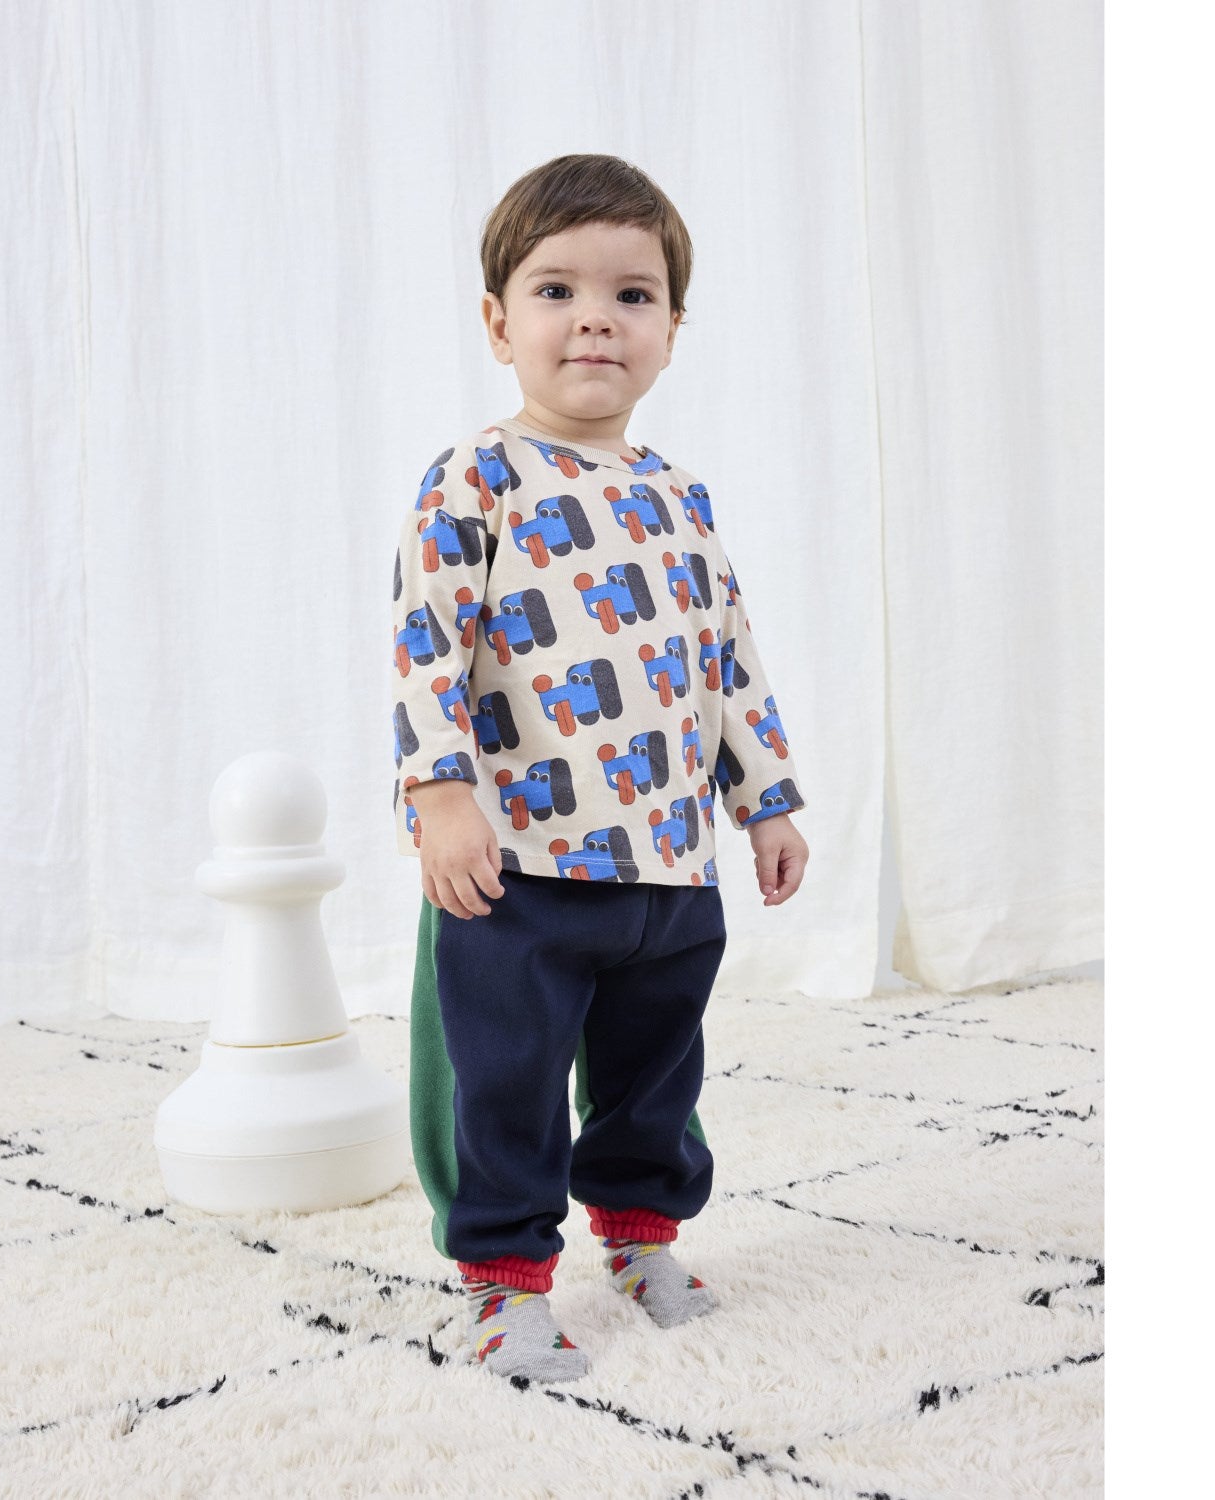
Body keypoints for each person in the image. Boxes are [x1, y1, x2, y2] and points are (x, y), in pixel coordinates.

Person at [390, 154, 810, 1384]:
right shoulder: (479, 478)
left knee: (655, 1073)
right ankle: (503, 1280)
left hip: (669, 863)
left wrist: (766, 800)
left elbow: (727, 657)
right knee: (505, 1079)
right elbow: (426, 643)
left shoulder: (680, 496)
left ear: (672, 331)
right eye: (556, 290)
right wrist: (440, 795)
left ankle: (640, 1236)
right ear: (498, 323)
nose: (595, 320)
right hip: (519, 862)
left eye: (632, 296)